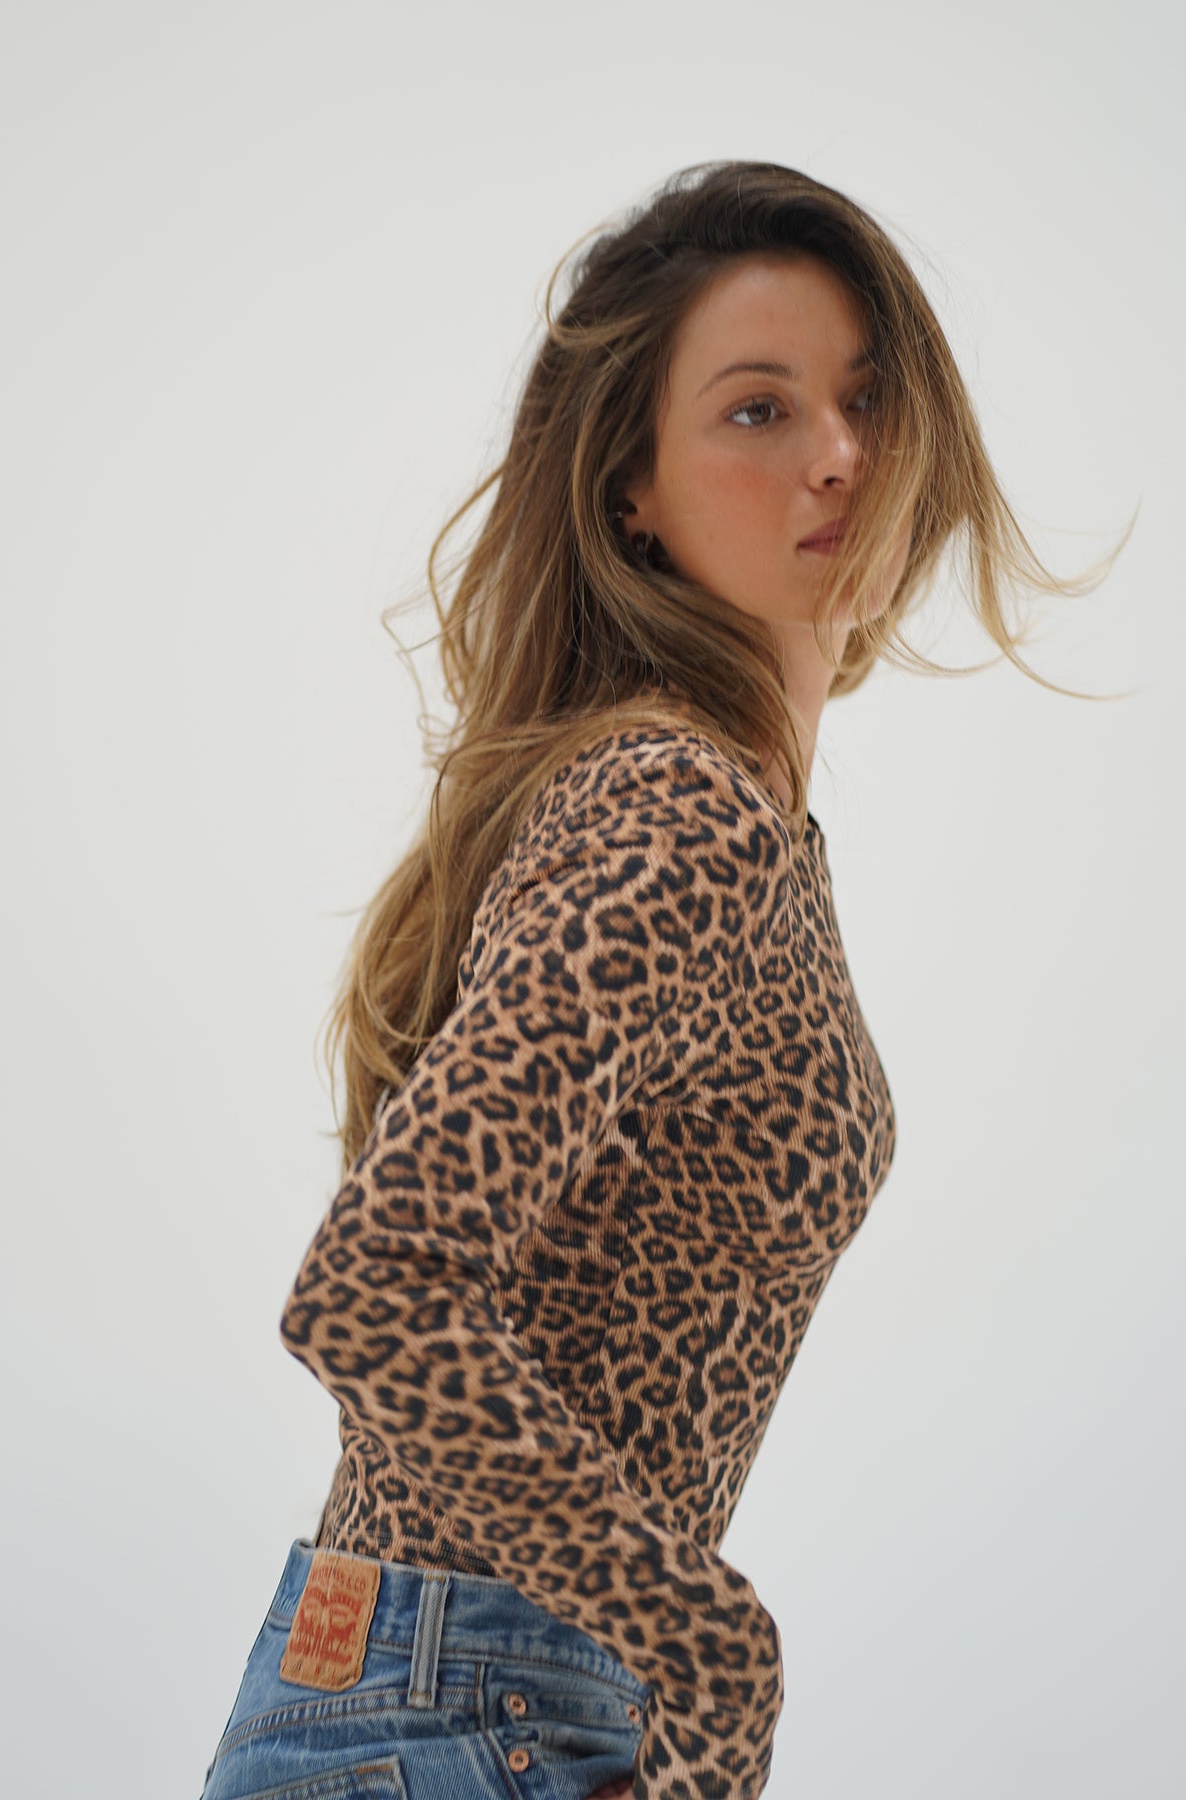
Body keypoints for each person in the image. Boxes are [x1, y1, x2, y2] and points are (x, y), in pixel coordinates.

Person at [197, 161, 1114, 1800]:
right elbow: (376, 1288)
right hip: (464, 1701)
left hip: (468, 1696)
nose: (838, 454)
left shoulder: (724, 813)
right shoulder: (682, 807)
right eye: (759, 411)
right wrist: (714, 1653)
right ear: (634, 489)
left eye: (863, 398)